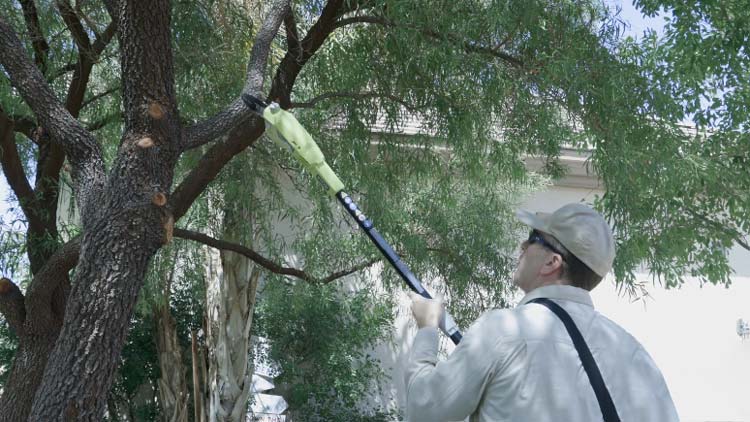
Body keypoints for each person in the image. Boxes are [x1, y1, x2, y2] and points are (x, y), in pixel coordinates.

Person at [405, 203, 679, 422]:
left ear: (552, 261)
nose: (522, 247)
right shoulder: (636, 353)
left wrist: (427, 328)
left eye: (532, 238)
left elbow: (425, 411)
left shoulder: (502, 330)